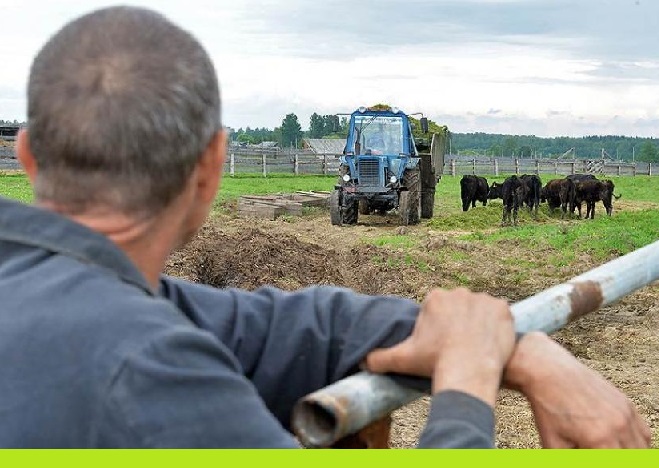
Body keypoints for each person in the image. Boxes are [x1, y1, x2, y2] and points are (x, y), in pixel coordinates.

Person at [0, 6, 650, 448]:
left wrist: (520, 344)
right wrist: (467, 385)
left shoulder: (53, 286)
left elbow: (268, 325)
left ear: (27, 155)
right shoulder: (146, 380)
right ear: (214, 165)